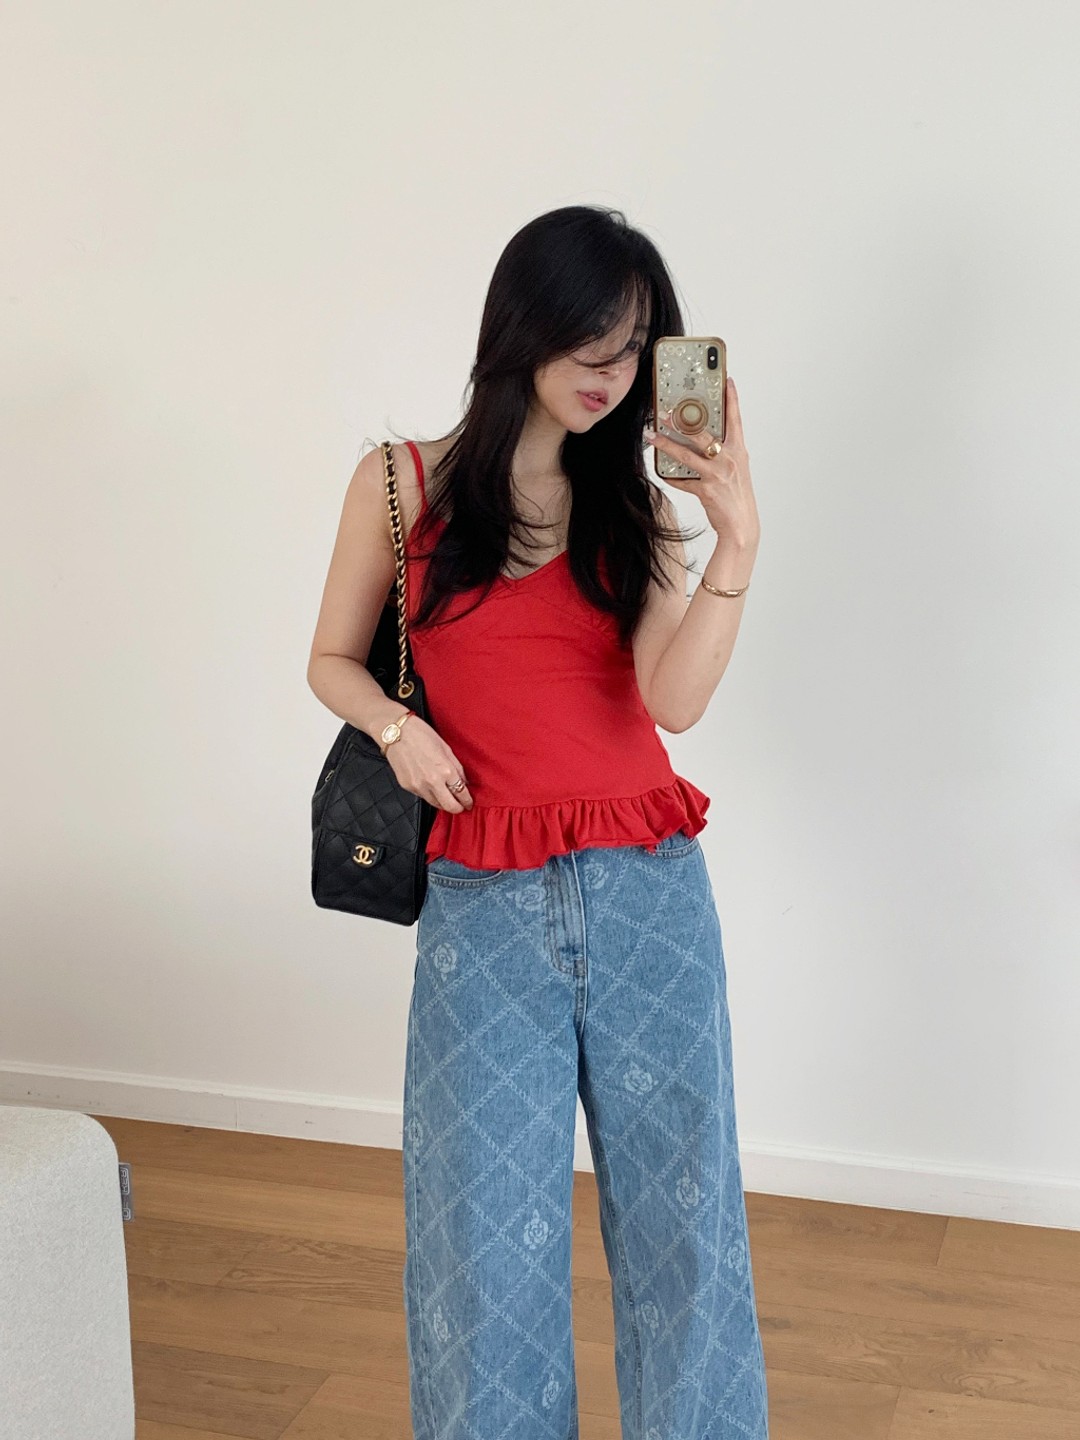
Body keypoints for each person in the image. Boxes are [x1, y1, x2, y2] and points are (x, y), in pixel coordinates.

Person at [307, 205, 768, 1439]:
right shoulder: (400, 483)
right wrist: (399, 733)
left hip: (651, 897)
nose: (611, 372)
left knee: (686, 1230)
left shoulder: (632, 506)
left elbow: (673, 702)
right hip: (485, 907)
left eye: (633, 348)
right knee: (480, 1244)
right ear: (524, 323)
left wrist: (736, 539)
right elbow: (332, 660)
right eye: (590, 340)